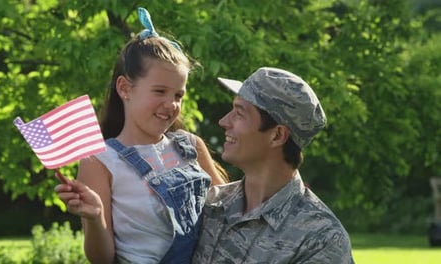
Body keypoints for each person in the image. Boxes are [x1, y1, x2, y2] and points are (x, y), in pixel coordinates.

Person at [54, 7, 227, 264]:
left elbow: (230, 216)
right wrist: (95, 216)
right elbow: (101, 258)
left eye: (178, 95)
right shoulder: (99, 160)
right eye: (159, 91)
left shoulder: (191, 147)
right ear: (124, 88)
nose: (171, 104)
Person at [192, 67, 354, 263]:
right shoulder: (209, 205)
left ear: (277, 135)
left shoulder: (321, 240)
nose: (224, 121)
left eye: (239, 113)